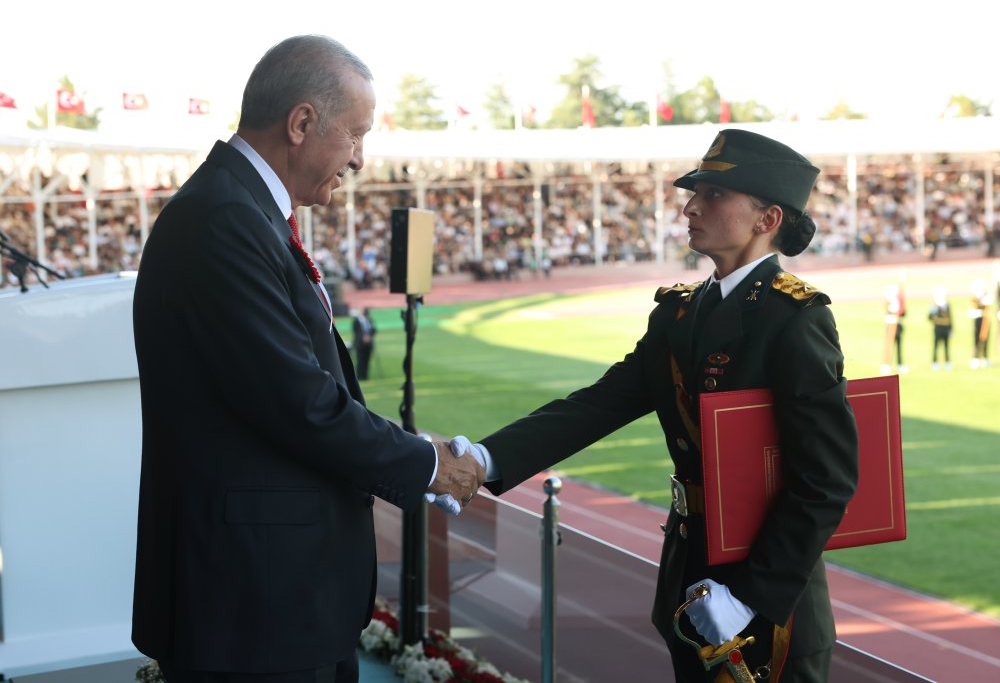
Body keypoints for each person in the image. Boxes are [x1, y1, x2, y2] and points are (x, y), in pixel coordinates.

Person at [130, 35, 483, 683]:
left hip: (268, 602)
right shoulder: (224, 221)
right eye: (355, 135)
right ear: (301, 123)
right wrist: (427, 462)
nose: (359, 157)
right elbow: (299, 402)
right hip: (254, 609)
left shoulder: (240, 210)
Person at [461, 130, 859, 682]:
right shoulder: (679, 313)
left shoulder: (794, 318)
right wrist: (484, 459)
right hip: (688, 572)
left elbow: (828, 477)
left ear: (767, 219)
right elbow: (601, 403)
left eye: (714, 195)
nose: (691, 206)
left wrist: (749, 596)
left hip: (767, 601)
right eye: (694, 193)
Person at [880, 282, 907, 375]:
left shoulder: (898, 302)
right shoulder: (889, 303)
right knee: (889, 346)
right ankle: (886, 365)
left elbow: (903, 312)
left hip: (898, 326)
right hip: (891, 326)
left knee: (899, 346)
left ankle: (900, 364)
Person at [928, 285, 953, 370]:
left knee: (946, 346)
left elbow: (950, 318)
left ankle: (947, 362)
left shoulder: (947, 305)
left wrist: (951, 329)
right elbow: (929, 317)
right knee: (936, 346)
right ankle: (934, 362)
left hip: (945, 329)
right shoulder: (934, 305)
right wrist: (933, 315)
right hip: (937, 329)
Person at [352, 307, 377, 380]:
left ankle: (365, 376)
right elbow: (356, 331)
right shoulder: (356, 321)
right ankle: (359, 376)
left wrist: (369, 336)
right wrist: (363, 337)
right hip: (360, 344)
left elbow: (374, 329)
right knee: (360, 360)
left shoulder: (369, 320)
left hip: (369, 344)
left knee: (367, 360)